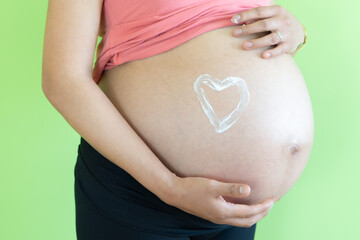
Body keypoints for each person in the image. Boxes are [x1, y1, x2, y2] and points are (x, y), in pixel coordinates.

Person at [42, 0, 312, 239]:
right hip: (142, 196)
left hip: (239, 215)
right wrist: (169, 187)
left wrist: (297, 32)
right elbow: (63, 79)